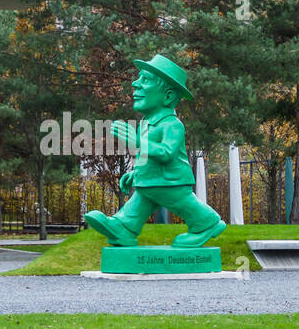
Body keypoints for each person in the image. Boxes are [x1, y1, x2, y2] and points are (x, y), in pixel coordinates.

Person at [84, 54, 226, 249]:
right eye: (138, 78)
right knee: (142, 198)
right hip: (152, 180)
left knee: (183, 203)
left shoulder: (172, 124)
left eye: (145, 80)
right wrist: (135, 173)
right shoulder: (145, 123)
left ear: (168, 96)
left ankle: (207, 222)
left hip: (171, 180)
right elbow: (148, 157)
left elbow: (166, 153)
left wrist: (137, 141)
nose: (135, 84)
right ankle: (123, 229)